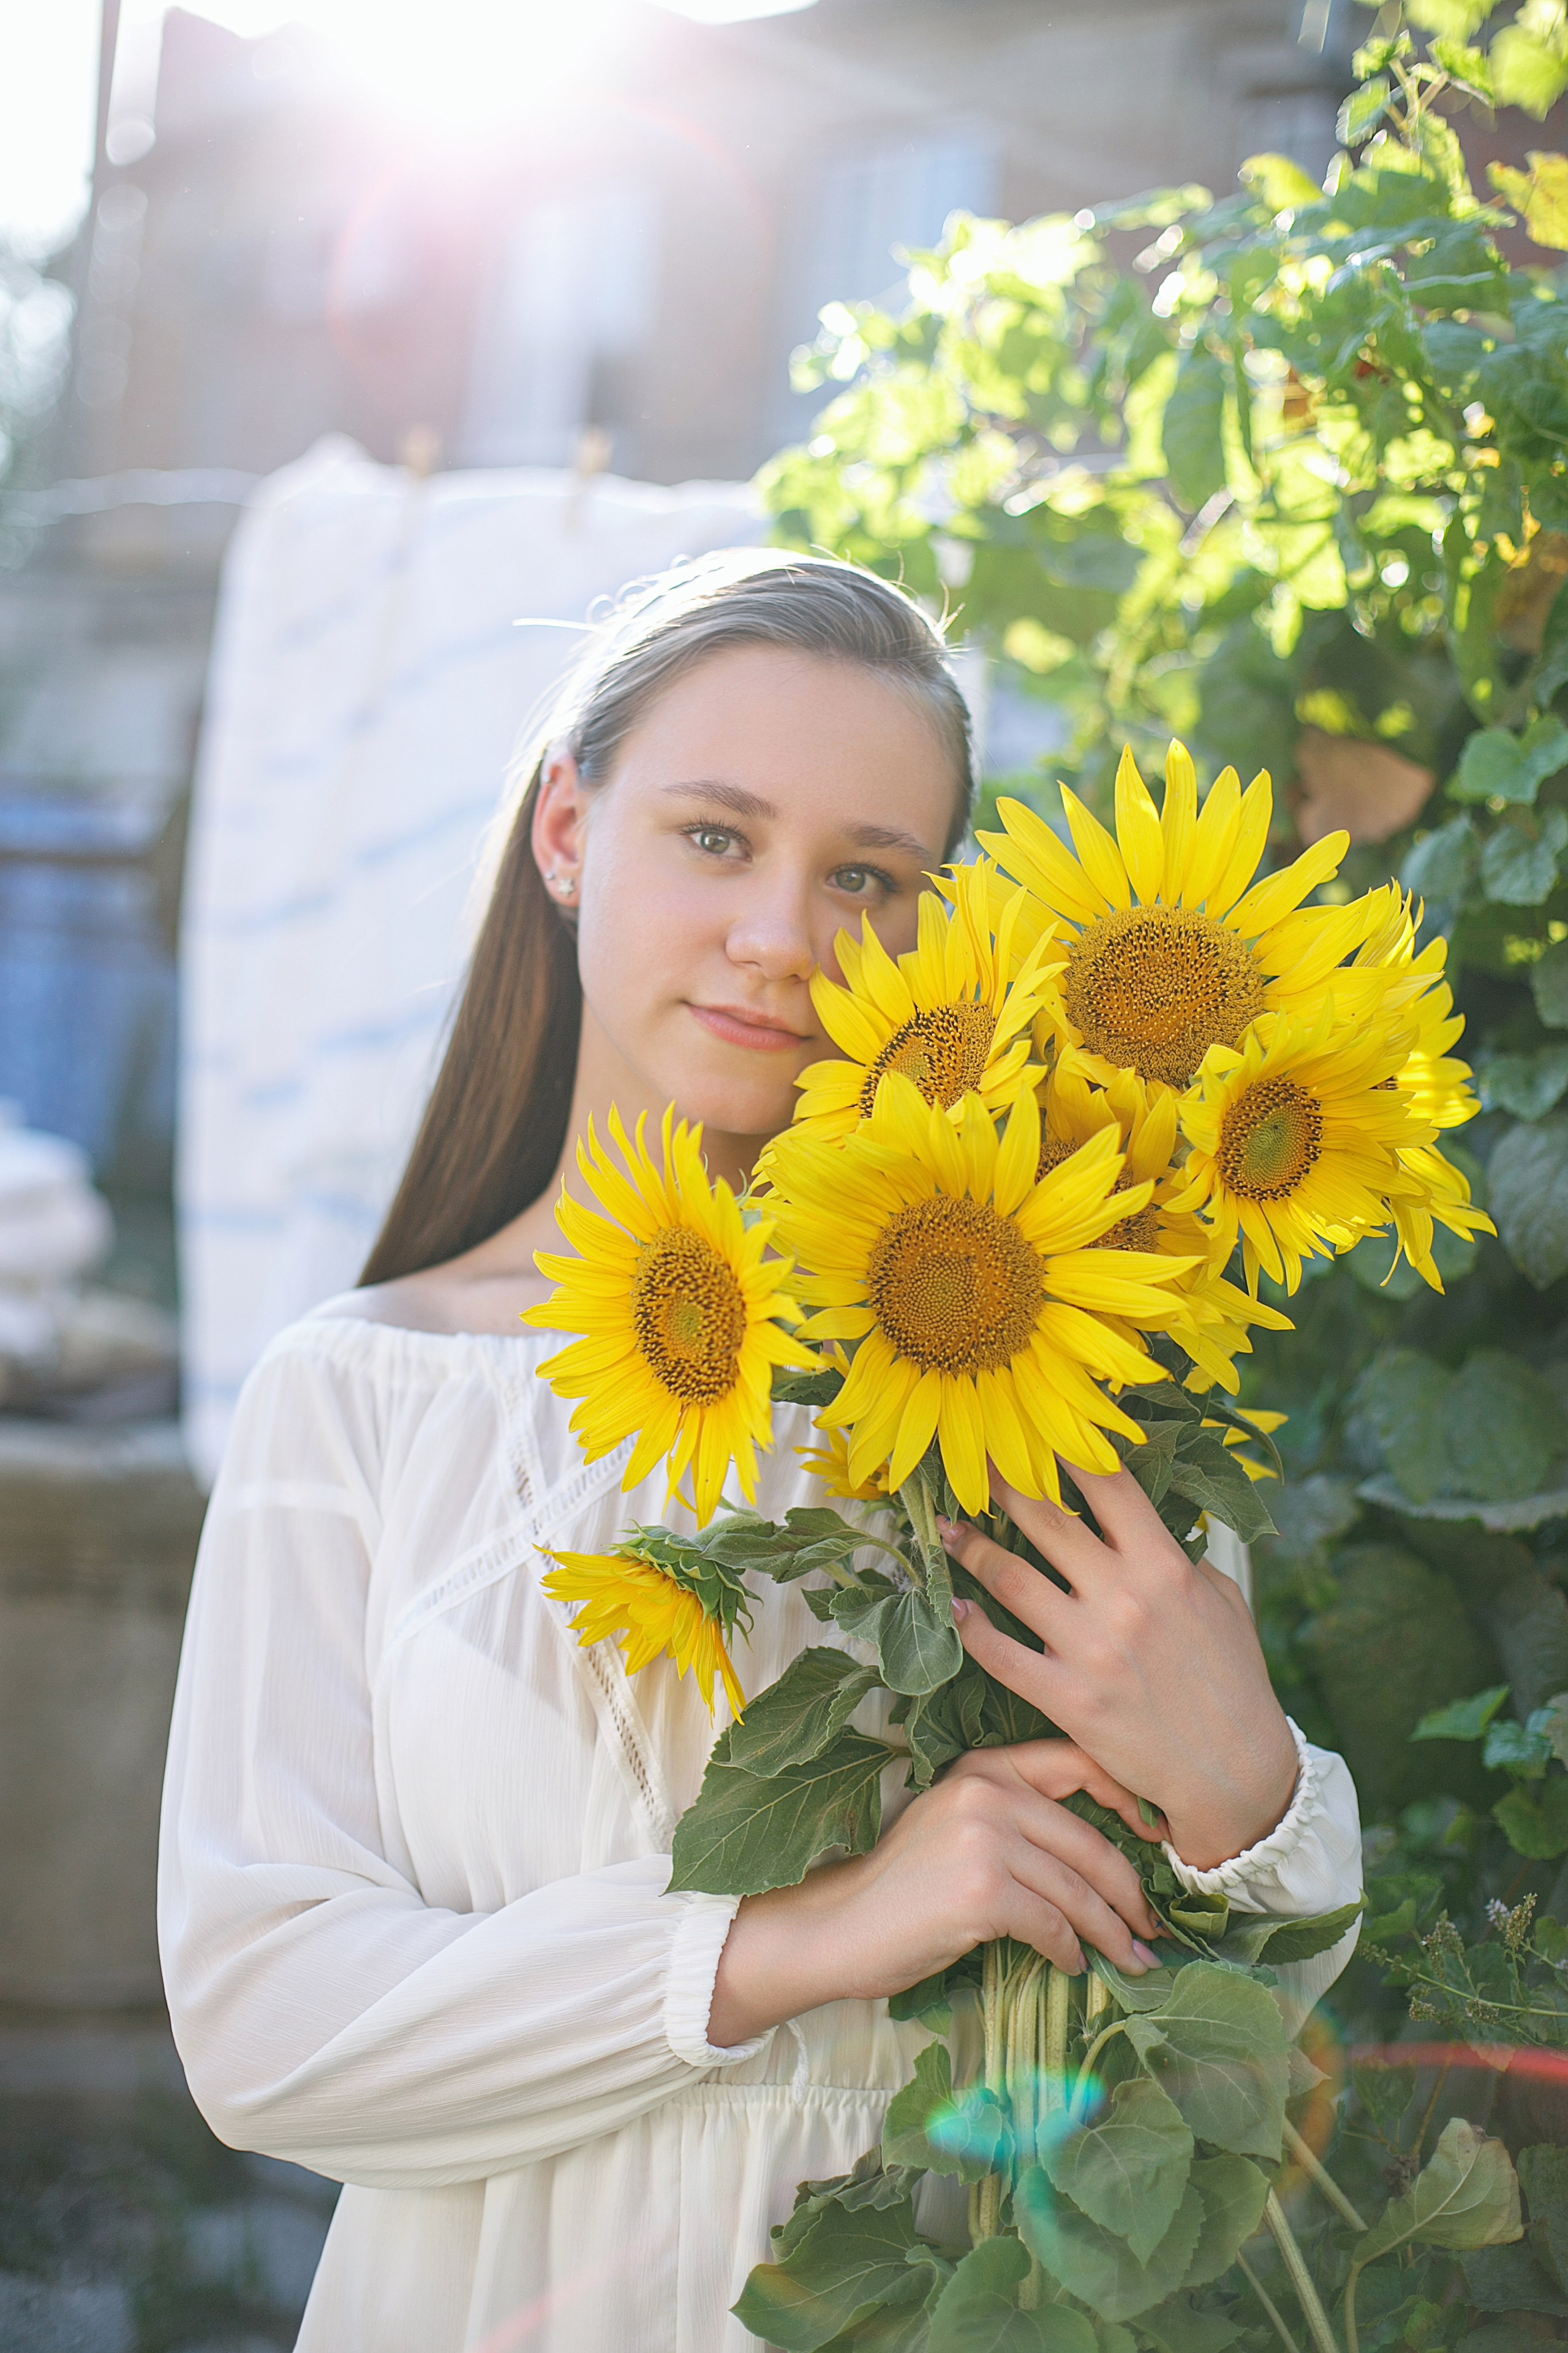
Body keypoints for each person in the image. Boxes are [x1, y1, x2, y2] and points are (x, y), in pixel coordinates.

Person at [159, 551, 1362, 2353]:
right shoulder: (357, 1395)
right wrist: (802, 1935)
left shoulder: (1046, 1379)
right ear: (569, 827)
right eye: (716, 837)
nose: (788, 937)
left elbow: (1227, 2041)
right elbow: (263, 2026)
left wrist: (1247, 1784)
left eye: (868, 875)